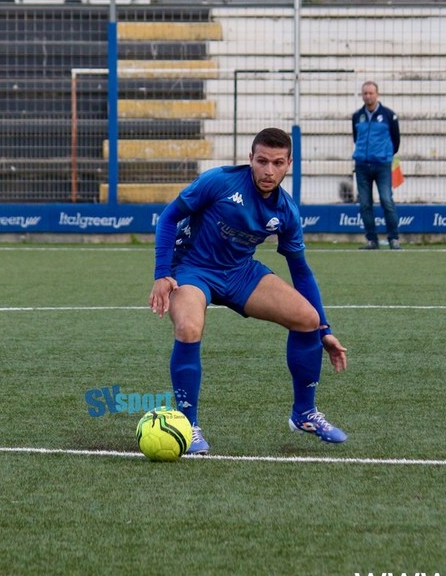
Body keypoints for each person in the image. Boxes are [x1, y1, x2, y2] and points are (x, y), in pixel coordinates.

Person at [149, 127, 348, 455]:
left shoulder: (286, 211)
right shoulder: (220, 182)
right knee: (188, 328)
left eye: (278, 163)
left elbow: (301, 271)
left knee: (307, 319)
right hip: (192, 269)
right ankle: (187, 424)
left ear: (289, 164)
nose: (269, 171)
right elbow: (169, 217)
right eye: (262, 161)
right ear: (250, 159)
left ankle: (304, 414)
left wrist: (324, 330)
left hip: (240, 272)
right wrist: (162, 274)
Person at [352, 81, 402, 250]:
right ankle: (372, 240)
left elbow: (396, 140)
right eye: (365, 93)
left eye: (371, 93)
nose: (368, 96)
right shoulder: (357, 116)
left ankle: (394, 238)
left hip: (382, 165)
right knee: (365, 204)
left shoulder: (389, 115)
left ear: (377, 94)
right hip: (362, 165)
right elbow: (356, 138)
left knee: (387, 201)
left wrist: (385, 155)